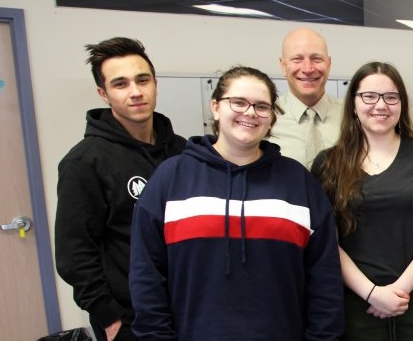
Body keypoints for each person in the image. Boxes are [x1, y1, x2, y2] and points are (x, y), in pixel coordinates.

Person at [128, 66, 345, 340]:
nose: (250, 113)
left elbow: (324, 279)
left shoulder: (298, 183)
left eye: (262, 106)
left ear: (271, 118)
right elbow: (147, 277)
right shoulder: (171, 179)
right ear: (216, 107)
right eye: (239, 102)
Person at [55, 37, 186, 341]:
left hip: (188, 306)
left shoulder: (183, 152)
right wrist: (108, 316)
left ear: (155, 83)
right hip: (130, 319)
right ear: (103, 93)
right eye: (121, 84)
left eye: (143, 80)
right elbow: (74, 252)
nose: (136, 92)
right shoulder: (85, 162)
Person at [313, 62, 413, 340]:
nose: (381, 105)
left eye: (391, 97)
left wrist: (399, 290)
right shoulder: (328, 163)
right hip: (356, 304)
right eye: (369, 96)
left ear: (401, 104)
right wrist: (372, 293)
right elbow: (327, 241)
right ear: (353, 103)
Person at [269, 27, 343, 169]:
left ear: (329, 63)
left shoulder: (352, 117)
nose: (308, 68)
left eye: (316, 59)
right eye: (297, 59)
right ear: (283, 66)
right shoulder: (265, 119)